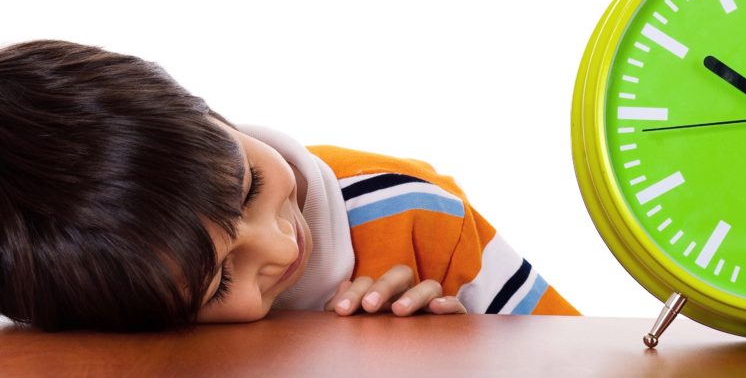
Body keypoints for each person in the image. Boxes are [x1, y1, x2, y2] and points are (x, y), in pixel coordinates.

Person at [0, 40, 578, 331]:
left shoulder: (416, 215)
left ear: (213, 116)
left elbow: (575, 354)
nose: (280, 246)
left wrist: (465, 348)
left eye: (248, 185)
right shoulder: (59, 306)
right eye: (220, 282)